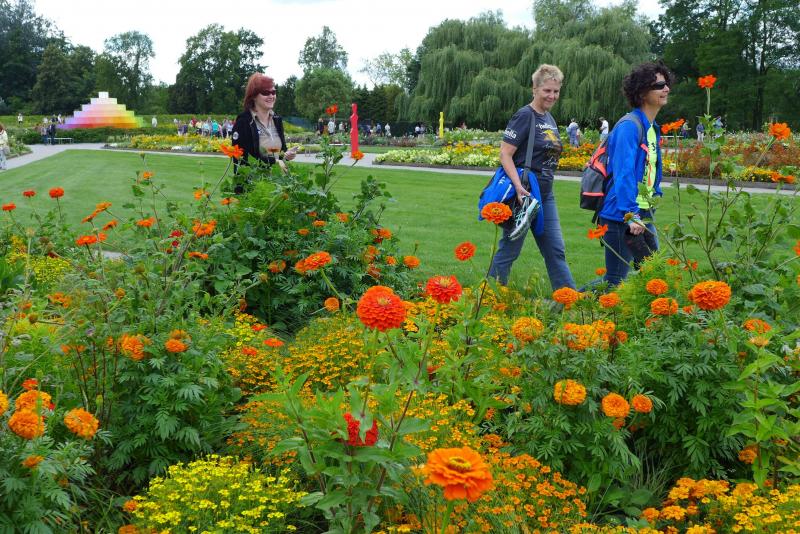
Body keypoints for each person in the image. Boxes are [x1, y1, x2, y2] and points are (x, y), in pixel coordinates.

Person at [488, 64, 576, 291]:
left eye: (556, 91)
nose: (552, 96)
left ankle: (568, 299)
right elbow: (505, 154)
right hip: (525, 194)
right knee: (510, 249)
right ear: (535, 89)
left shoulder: (549, 118)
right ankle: (489, 297)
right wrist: (518, 187)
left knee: (555, 250)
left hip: (545, 195)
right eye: (547, 90)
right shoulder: (525, 116)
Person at [597, 62, 672, 286]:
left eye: (666, 84)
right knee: (615, 281)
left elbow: (650, 171)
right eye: (659, 85)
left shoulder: (651, 127)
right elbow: (624, 174)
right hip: (623, 215)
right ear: (642, 92)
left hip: (643, 213)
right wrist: (631, 214)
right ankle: (569, 301)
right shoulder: (629, 126)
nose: (666, 89)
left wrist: (653, 198)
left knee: (653, 275)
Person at [231, 73, 297, 193]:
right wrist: (275, 162)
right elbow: (243, 159)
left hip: (278, 188)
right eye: (266, 92)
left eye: (273, 92)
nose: (271, 96)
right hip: (253, 190)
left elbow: (278, 153)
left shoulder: (277, 120)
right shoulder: (244, 122)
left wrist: (285, 155)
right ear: (254, 96)